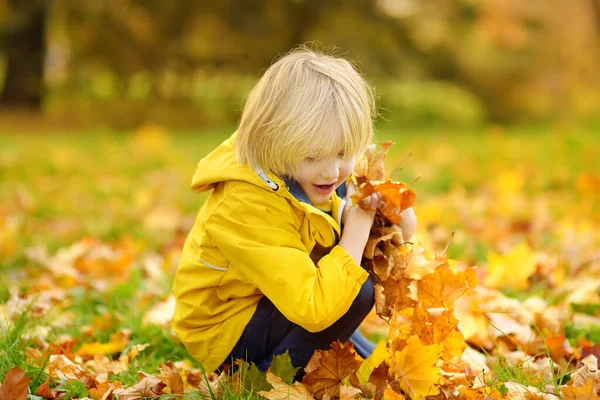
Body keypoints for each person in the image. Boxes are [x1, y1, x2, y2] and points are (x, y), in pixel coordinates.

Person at [171, 46, 416, 381]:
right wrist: (357, 227)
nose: (331, 170)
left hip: (274, 297)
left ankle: (359, 360)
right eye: (314, 155)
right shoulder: (245, 204)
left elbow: (388, 238)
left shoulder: (307, 174)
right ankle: (268, 377)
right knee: (355, 292)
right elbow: (314, 308)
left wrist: (395, 216)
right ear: (275, 140)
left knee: (349, 279)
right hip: (228, 330)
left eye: (343, 151)